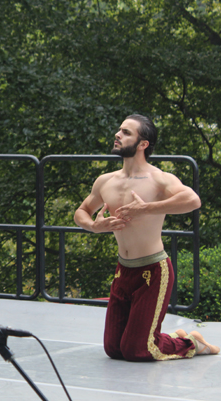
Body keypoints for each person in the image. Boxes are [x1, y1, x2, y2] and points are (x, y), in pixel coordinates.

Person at [74, 114, 219, 361]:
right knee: (113, 349)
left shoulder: (158, 178)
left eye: (126, 132)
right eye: (119, 130)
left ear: (143, 144)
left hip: (153, 271)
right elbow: (81, 212)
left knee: (136, 350)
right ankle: (168, 336)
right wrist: (95, 227)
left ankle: (191, 342)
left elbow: (193, 200)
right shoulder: (106, 180)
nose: (118, 135)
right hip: (123, 271)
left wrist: (147, 208)